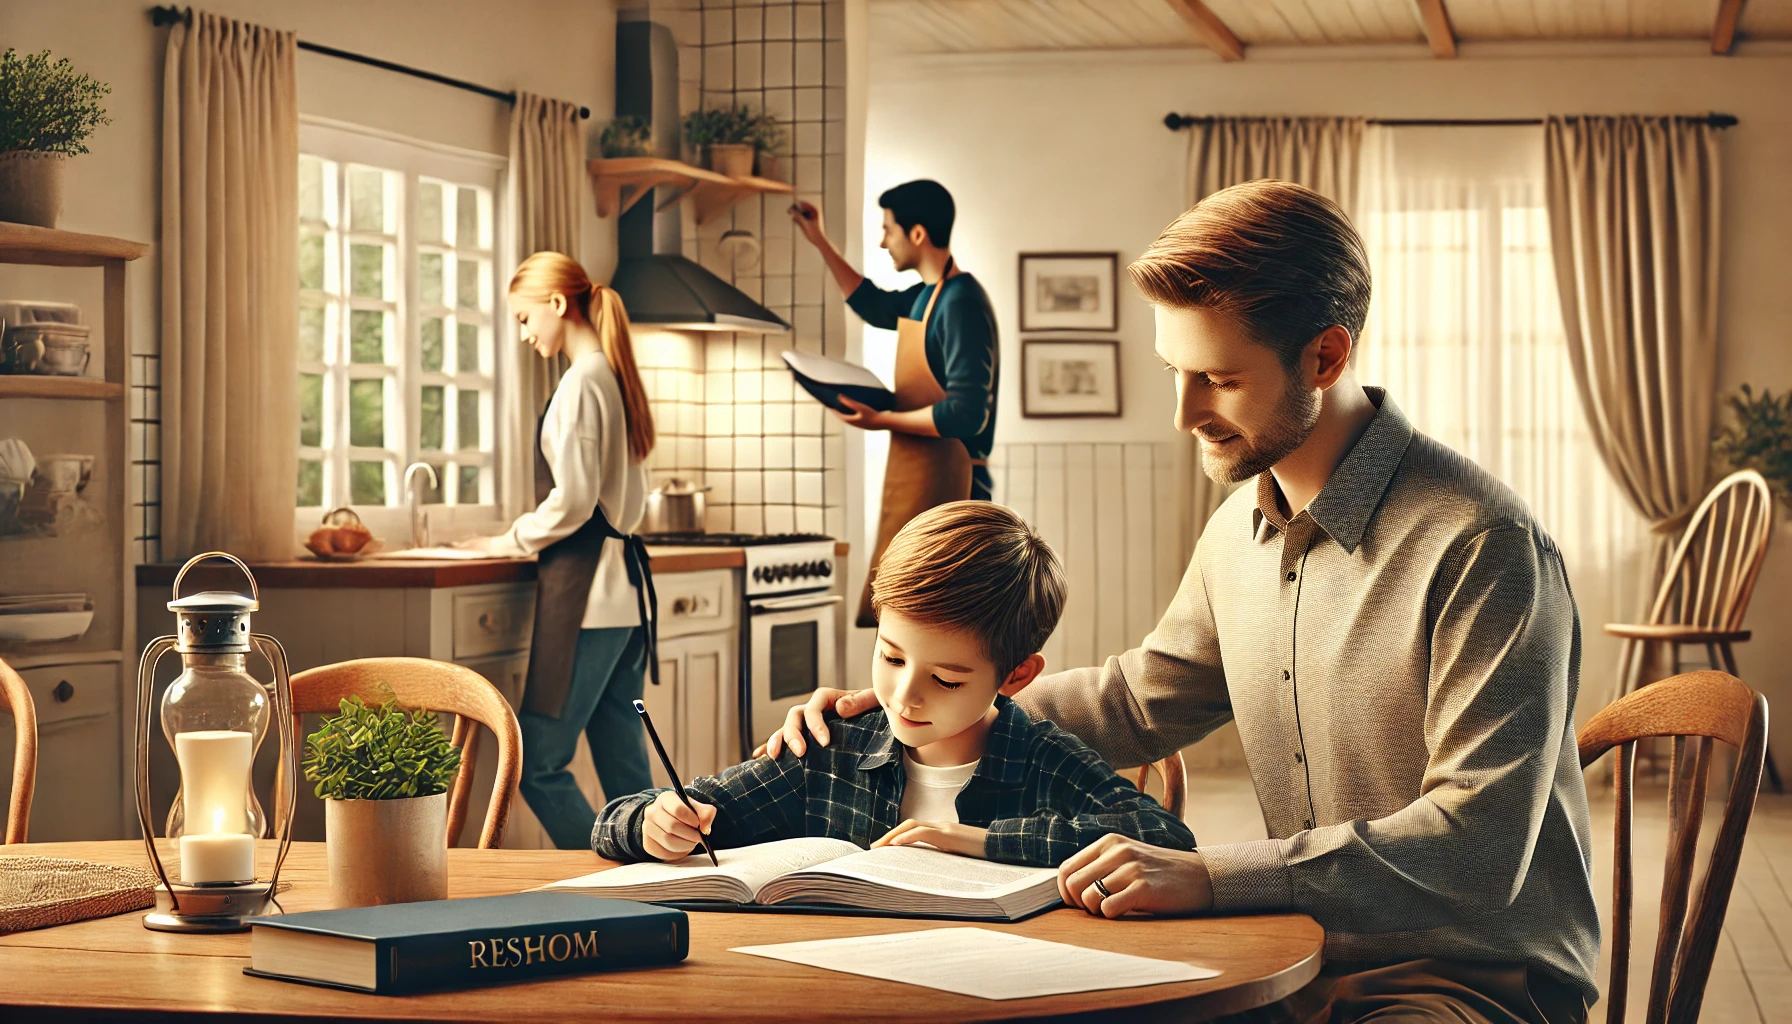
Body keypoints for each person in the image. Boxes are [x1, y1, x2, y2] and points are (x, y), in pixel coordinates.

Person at [763, 182, 1599, 1023]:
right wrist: (915, 709)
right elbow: (1135, 699)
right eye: (1176, 372)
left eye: (1220, 380)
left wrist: (1211, 876)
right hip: (1287, 954)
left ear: (1327, 357)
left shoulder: (1482, 546)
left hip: (1462, 980)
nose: (1184, 413)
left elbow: (1479, 846)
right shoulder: (1242, 525)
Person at [593, 501, 1194, 867]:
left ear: (1015, 677)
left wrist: (980, 841)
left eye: (947, 680)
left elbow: (1166, 839)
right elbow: (617, 821)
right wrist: (653, 824)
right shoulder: (831, 749)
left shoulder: (1041, 756)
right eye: (890, 656)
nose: (905, 696)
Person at [458, 251, 657, 851]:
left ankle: (610, 870)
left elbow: (573, 501)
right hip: (621, 596)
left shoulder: (581, 383)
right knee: (627, 769)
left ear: (556, 303)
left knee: (538, 762)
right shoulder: (611, 375)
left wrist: (505, 540)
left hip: (586, 594)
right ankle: (666, 874)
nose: (524, 334)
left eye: (524, 319)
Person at [790, 180, 999, 627]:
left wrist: (881, 418)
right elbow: (873, 305)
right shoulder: (927, 297)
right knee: (909, 624)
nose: (883, 241)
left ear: (917, 234)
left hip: (958, 490)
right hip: (927, 480)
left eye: (888, 230)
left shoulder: (961, 303)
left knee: (939, 628)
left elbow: (966, 412)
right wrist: (819, 241)